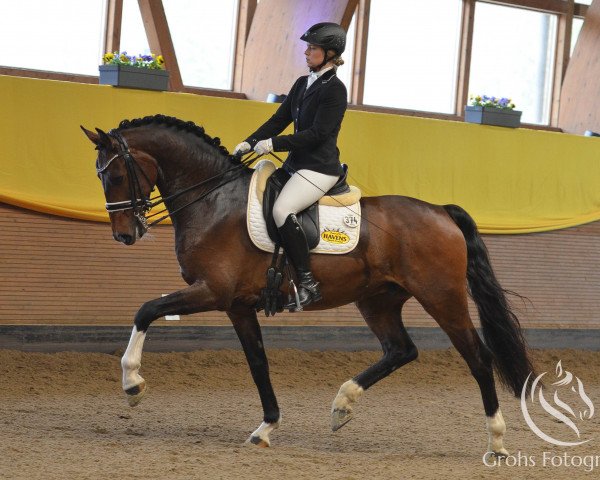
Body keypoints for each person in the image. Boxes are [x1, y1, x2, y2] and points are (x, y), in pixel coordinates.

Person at [234, 22, 348, 310]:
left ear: (330, 53)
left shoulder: (335, 90)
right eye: (307, 48)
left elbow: (318, 134)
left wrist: (274, 145)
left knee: (282, 210)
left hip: (318, 168)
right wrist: (249, 142)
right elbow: (278, 120)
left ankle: (309, 282)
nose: (307, 52)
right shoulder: (302, 83)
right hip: (295, 165)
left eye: (312, 48)